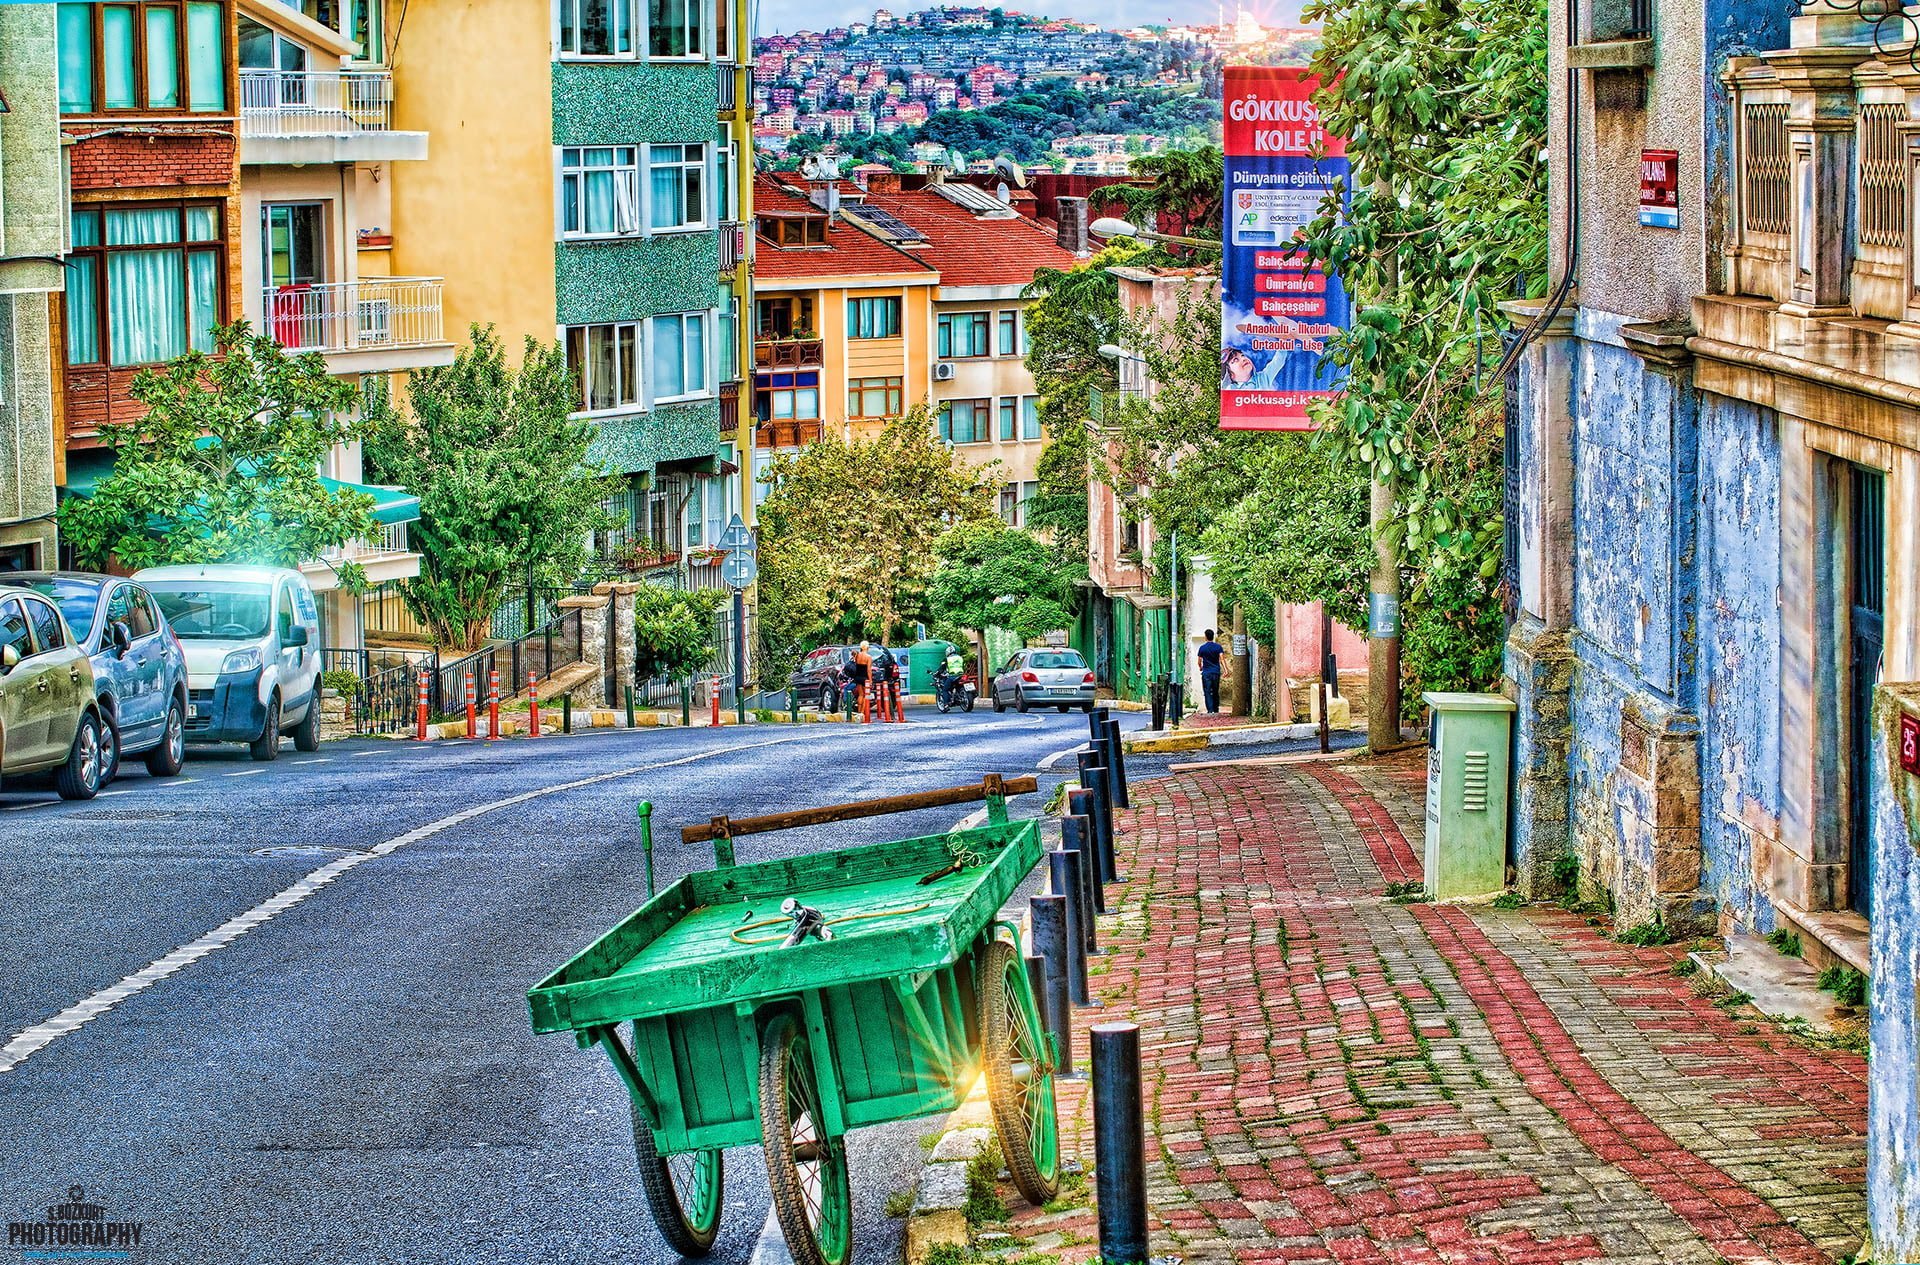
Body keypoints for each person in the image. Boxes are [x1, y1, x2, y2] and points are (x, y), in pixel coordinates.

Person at [1197, 629, 1226, 713]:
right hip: (1216, 672)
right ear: (1213, 637)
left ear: (1205, 637)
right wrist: (1225, 669)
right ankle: (1216, 709)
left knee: (1207, 691)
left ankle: (1210, 710)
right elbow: (1222, 659)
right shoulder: (1218, 647)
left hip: (1206, 673)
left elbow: (1199, 661)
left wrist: (1201, 667)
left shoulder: (1202, 648)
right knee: (1215, 690)